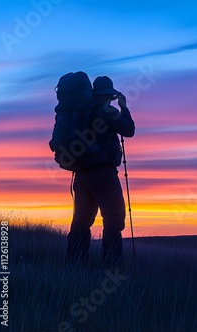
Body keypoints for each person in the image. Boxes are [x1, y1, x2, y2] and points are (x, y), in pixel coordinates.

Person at [66, 76, 135, 266]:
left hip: (81, 175)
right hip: (103, 175)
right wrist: (124, 107)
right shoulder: (107, 111)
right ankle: (111, 266)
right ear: (109, 95)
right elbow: (128, 130)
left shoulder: (80, 113)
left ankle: (75, 265)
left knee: (81, 221)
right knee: (113, 219)